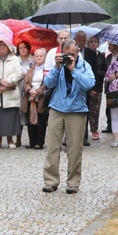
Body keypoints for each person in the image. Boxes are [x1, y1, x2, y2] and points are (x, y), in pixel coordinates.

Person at [41, 39, 95, 194]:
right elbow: (48, 83)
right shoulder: (58, 65)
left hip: (76, 112)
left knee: (74, 150)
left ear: (78, 52)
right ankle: (51, 181)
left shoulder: (84, 66)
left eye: (72, 54)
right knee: (52, 147)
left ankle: (73, 183)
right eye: (67, 54)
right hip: (57, 109)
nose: (69, 57)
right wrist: (57, 68)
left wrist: (73, 70)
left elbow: (89, 84)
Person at [0, 40, 23, 149]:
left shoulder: (15, 59)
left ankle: (10, 139)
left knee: (10, 116)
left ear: (8, 47)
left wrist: (8, 81)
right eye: (0, 45)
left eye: (4, 45)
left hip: (10, 91)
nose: (2, 47)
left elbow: (19, 73)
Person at [74, 30, 99, 147]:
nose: (81, 42)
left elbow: (95, 71)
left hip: (86, 87)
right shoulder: (70, 52)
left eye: (84, 40)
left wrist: (94, 88)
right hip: (73, 86)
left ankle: (84, 137)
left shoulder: (91, 53)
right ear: (75, 40)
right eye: (79, 40)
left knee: (85, 111)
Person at [23, 48, 49, 149]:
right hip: (30, 97)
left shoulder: (46, 69)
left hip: (40, 98)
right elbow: (26, 81)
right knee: (30, 120)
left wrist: (37, 92)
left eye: (40, 56)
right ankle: (32, 142)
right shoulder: (32, 67)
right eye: (36, 56)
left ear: (45, 57)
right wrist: (29, 90)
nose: (38, 58)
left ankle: (39, 142)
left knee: (41, 121)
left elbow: (46, 83)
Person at [86, 35, 107, 141]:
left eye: (95, 42)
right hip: (86, 86)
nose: (93, 43)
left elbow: (105, 71)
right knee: (85, 110)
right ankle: (83, 131)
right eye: (91, 41)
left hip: (98, 86)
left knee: (95, 110)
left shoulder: (101, 56)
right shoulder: (85, 54)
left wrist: (96, 72)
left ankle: (94, 130)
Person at [16, 41, 34, 147]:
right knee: (20, 113)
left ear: (28, 48)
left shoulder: (33, 60)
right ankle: (18, 138)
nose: (22, 50)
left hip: (30, 88)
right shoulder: (16, 60)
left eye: (24, 47)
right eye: (20, 48)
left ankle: (32, 138)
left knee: (30, 113)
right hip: (19, 88)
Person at [101, 43, 118, 134]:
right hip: (109, 84)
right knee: (109, 106)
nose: (109, 46)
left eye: (110, 44)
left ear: (115, 46)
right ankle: (110, 124)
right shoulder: (108, 57)